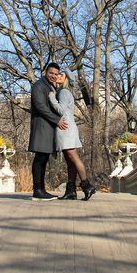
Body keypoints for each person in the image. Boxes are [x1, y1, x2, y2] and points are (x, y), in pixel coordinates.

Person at [48, 70, 96, 200]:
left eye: (61, 75)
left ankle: (87, 186)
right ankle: (71, 190)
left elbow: (61, 110)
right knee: (69, 161)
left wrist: (51, 97)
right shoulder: (64, 92)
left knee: (74, 158)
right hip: (67, 127)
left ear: (67, 79)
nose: (58, 76)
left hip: (66, 128)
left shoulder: (63, 92)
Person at [28, 62, 69, 201]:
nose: (53, 76)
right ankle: (37, 190)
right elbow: (41, 106)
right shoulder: (39, 85)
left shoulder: (50, 86)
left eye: (56, 74)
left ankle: (41, 189)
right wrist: (57, 119)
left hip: (48, 127)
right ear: (45, 71)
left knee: (43, 158)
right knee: (40, 158)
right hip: (41, 126)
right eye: (51, 73)